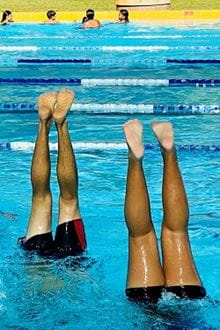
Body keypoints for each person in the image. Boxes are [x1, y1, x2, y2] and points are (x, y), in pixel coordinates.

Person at [123, 119, 206, 303]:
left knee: (174, 234)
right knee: (144, 238)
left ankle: (165, 153)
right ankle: (140, 158)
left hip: (185, 296)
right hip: (157, 299)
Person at [18, 90, 86, 257]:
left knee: (40, 199)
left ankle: (43, 124)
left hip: (36, 260)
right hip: (70, 258)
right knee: (67, 200)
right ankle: (60, 125)